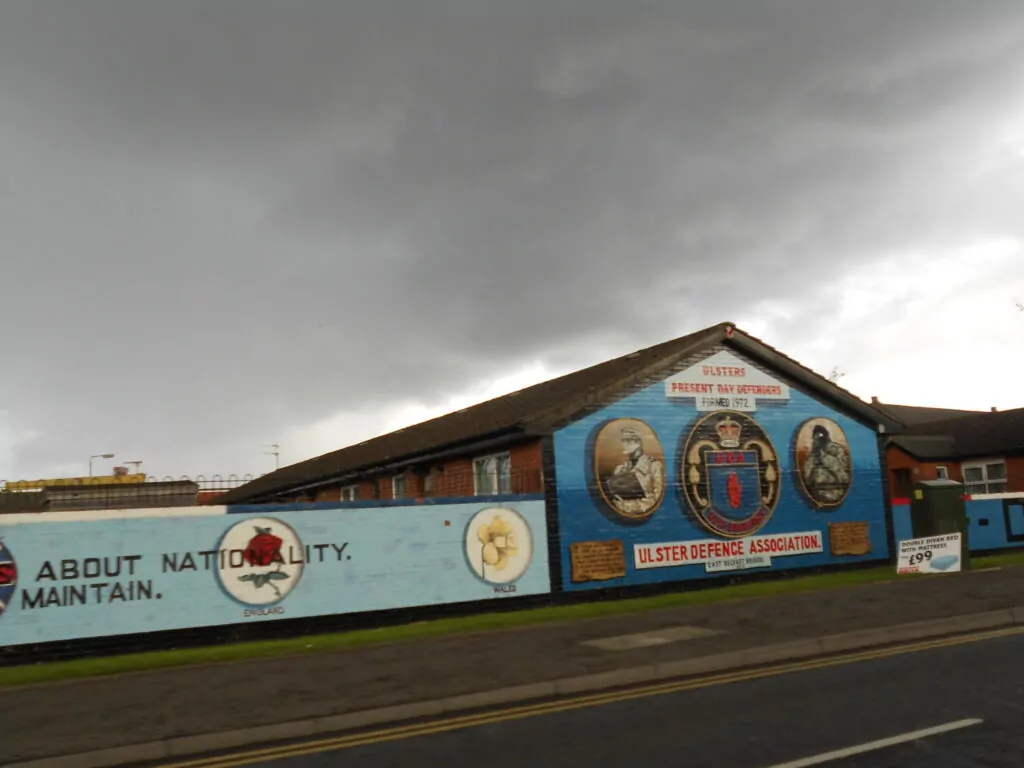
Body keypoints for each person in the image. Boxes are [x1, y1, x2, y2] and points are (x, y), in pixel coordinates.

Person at [604, 426, 664, 517]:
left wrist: (629, 506)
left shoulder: (653, 465)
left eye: (628, 441)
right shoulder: (620, 469)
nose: (625, 444)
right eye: (623, 441)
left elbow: (657, 497)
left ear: (638, 442)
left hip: (641, 510)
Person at [802, 424, 850, 503]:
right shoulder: (813, 456)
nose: (816, 442)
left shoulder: (837, 451)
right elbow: (807, 480)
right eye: (815, 439)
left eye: (819, 439)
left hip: (834, 492)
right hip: (818, 493)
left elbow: (843, 477)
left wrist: (824, 458)